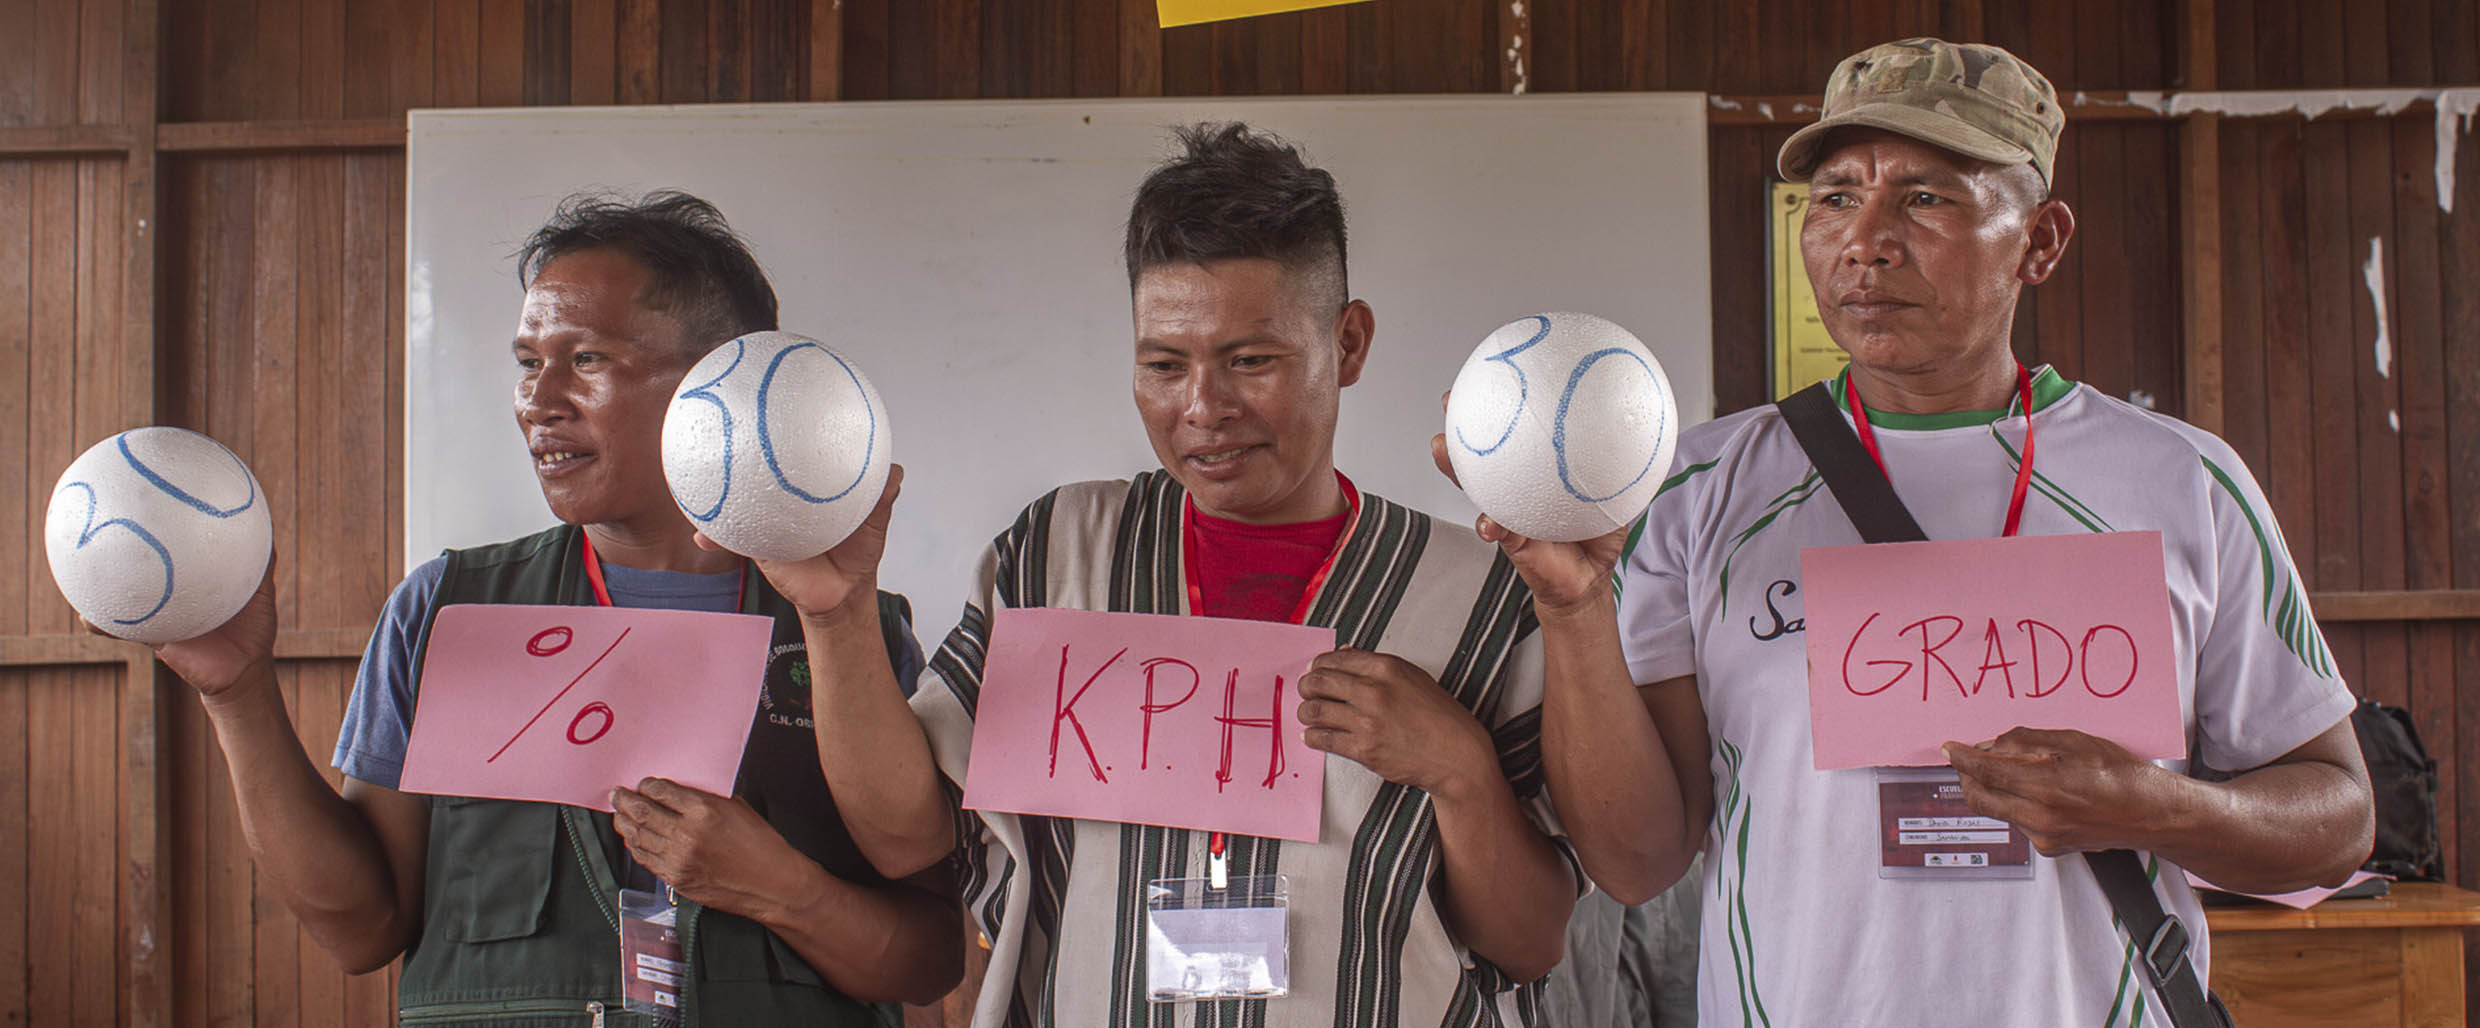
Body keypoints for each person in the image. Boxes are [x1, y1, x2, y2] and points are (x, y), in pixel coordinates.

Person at [1473, 39, 2374, 1025]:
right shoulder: (1697, 490)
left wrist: (2156, 808)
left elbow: (2337, 822)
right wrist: (1572, 608)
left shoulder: (2183, 481)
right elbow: (1637, 862)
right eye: (1833, 198)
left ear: (2039, 242)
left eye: (1925, 197)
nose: (1865, 241)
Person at [759, 123, 1583, 1025]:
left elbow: (1532, 941)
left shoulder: (1475, 593)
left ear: (1348, 344)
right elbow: (906, 839)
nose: (1202, 408)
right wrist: (837, 616)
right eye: (1163, 364)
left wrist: (1461, 772)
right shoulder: (1057, 554)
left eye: (1251, 360)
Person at [142, 191, 962, 1023]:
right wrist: (236, 694)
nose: (540, 400)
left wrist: (785, 891)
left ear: (720, 380)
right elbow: (360, 933)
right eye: (530, 362)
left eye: (589, 359)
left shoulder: (844, 624)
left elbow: (930, 961)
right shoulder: (447, 610)